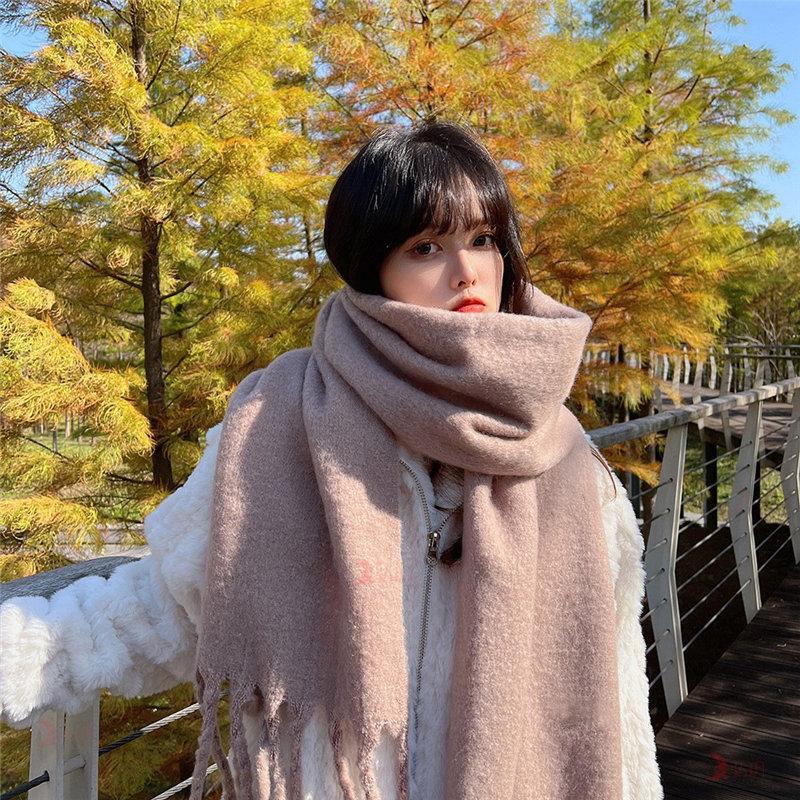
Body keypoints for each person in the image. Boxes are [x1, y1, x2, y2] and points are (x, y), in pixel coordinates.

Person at [0, 120, 664, 800]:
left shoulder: (563, 452)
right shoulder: (279, 417)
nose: (467, 270)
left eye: (483, 238)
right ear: (373, 265)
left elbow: (610, 684)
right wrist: (22, 652)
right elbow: (169, 604)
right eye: (426, 247)